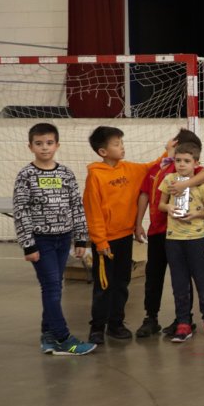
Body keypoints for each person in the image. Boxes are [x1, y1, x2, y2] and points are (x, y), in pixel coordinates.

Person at [14, 123, 95, 355]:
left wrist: (80, 239)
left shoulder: (65, 173)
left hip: (64, 238)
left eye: (49, 143)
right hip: (42, 241)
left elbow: (76, 207)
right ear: (30, 146)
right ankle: (63, 338)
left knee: (54, 287)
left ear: (57, 145)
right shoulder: (26, 175)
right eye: (39, 143)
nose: (44, 148)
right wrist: (28, 245)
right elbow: (21, 211)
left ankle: (48, 336)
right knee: (51, 288)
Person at [84, 126, 166, 344]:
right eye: (116, 144)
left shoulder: (129, 168)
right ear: (103, 151)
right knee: (104, 285)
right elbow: (93, 211)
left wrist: (168, 151)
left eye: (122, 143)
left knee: (122, 282)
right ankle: (97, 327)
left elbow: (152, 167)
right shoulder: (95, 175)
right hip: (106, 242)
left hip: (124, 238)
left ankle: (116, 323)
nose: (122, 147)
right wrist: (100, 241)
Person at [134, 129, 204, 338]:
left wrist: (185, 183)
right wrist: (138, 223)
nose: (181, 162)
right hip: (157, 230)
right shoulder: (158, 168)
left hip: (180, 232)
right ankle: (151, 317)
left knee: (183, 277)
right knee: (154, 275)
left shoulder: (187, 169)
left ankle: (184, 319)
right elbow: (144, 194)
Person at [157, 142, 204, 342]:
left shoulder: (200, 184)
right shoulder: (169, 180)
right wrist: (168, 208)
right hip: (174, 240)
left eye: (186, 161)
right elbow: (161, 204)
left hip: (197, 239)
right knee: (179, 284)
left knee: (203, 282)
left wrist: (196, 214)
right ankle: (183, 323)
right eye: (178, 160)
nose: (181, 164)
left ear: (196, 163)